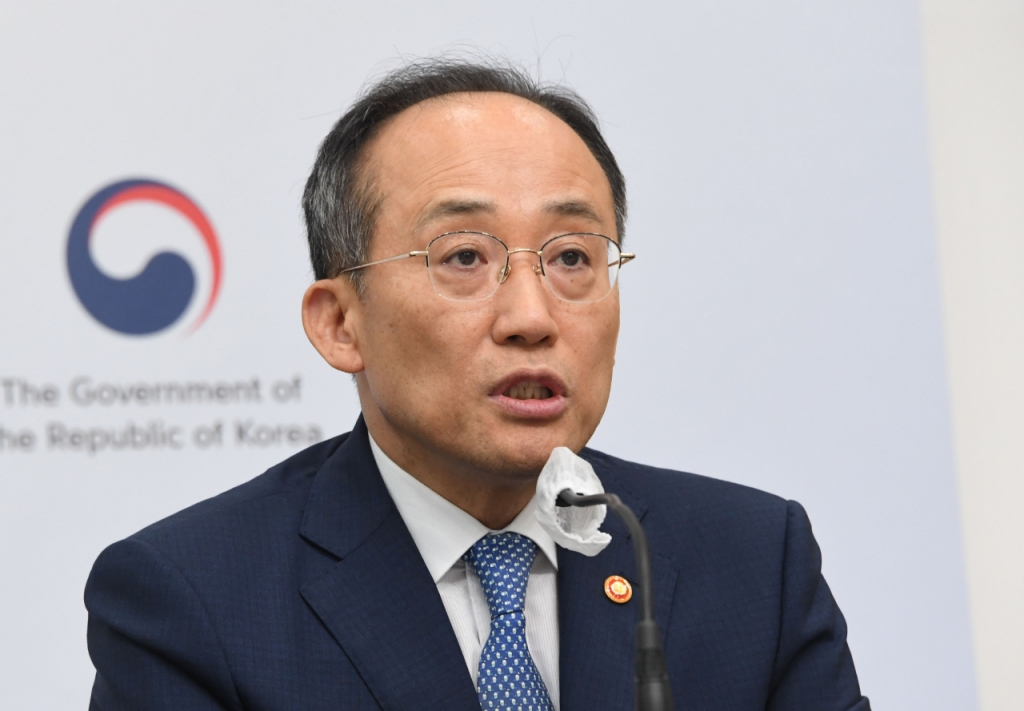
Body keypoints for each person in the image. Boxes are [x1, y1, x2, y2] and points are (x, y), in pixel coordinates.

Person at [85, 59, 870, 711]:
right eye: (464, 256)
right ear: (340, 323)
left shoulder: (750, 563)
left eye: (572, 257)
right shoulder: (193, 602)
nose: (532, 317)